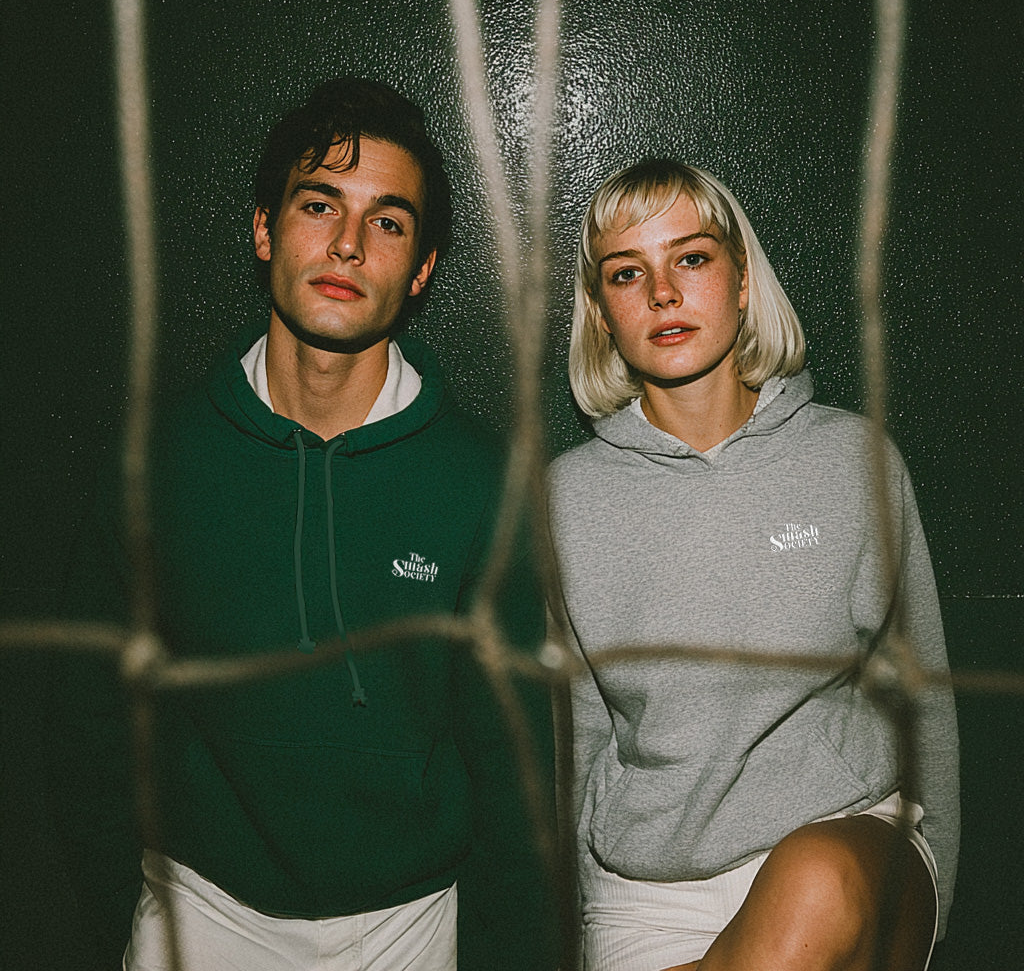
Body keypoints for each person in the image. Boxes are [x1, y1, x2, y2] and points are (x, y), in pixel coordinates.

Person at [53, 77, 555, 971]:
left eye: (389, 221)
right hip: (198, 915)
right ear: (264, 228)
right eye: (319, 205)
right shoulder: (158, 460)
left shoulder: (484, 480)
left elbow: (514, 770)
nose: (349, 244)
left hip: (409, 928)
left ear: (423, 267)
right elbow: (85, 730)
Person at [547, 159, 959, 971]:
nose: (662, 291)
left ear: (741, 280)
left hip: (853, 852)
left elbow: (926, 696)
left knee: (811, 879)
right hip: (650, 893)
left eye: (691, 258)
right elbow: (579, 737)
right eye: (628, 274)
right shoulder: (562, 501)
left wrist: (936, 897)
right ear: (602, 313)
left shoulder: (852, 459)